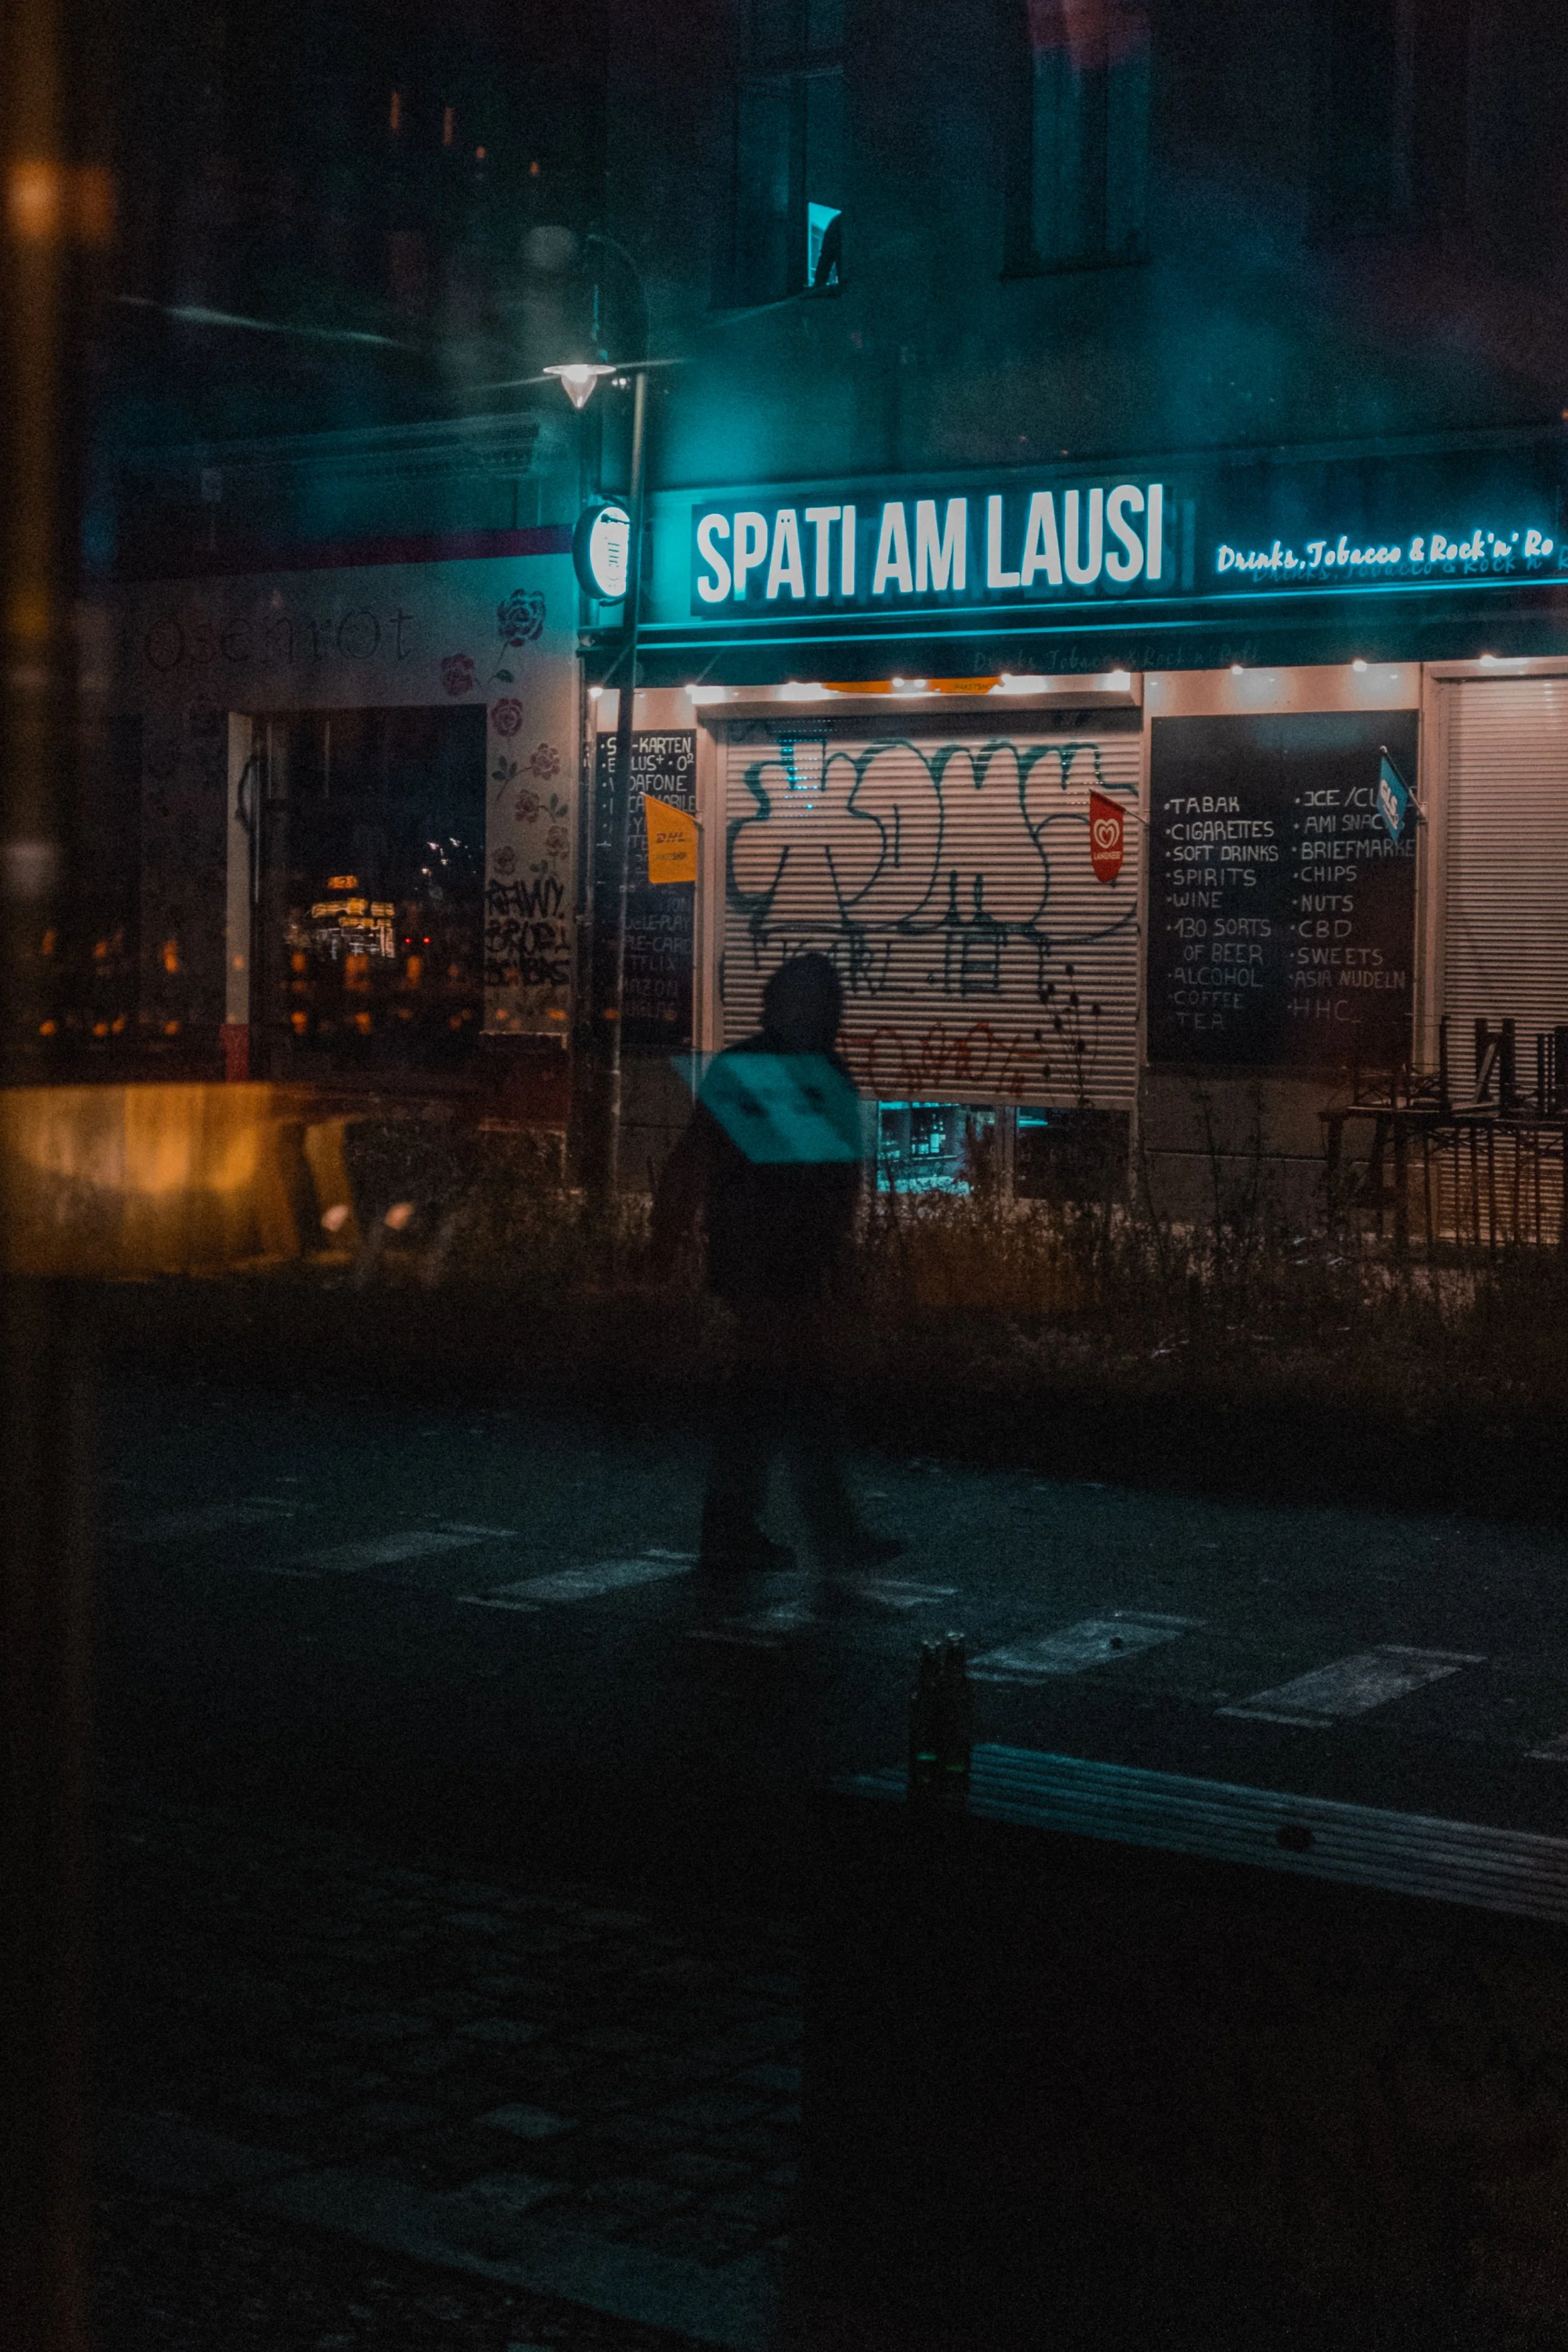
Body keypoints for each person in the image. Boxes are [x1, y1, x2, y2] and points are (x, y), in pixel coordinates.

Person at [652, 951, 907, 1574]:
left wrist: (666, 1239)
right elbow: (706, 1160)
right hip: (766, 1269)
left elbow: (701, 1161)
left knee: (768, 1402)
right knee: (795, 1402)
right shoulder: (803, 1073)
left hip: (773, 1267)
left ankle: (740, 1531)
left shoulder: (774, 1069)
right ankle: (823, 1536)